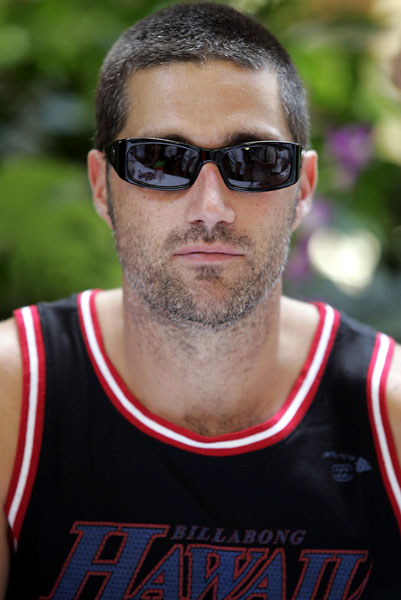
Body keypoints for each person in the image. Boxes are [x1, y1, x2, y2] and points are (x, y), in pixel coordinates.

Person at [0, 2, 400, 598]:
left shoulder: (388, 412)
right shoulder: (14, 398)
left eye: (255, 161)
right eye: (161, 159)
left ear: (304, 188)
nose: (211, 207)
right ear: (102, 187)